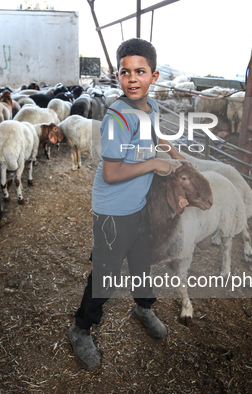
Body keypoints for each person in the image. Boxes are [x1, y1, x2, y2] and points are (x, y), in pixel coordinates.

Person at [67, 38, 186, 371]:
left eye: (140, 71)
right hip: (113, 209)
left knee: (142, 260)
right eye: (125, 72)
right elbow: (112, 171)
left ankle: (143, 307)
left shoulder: (151, 108)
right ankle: (80, 328)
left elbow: (154, 136)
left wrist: (172, 152)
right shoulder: (117, 117)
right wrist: (154, 164)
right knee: (106, 273)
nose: (132, 78)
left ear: (154, 75)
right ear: (117, 76)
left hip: (139, 204)